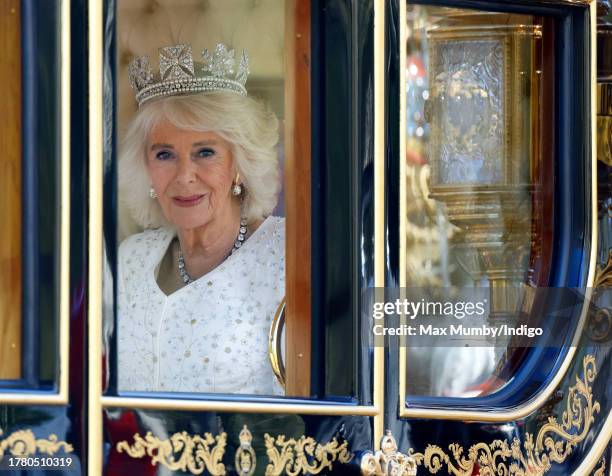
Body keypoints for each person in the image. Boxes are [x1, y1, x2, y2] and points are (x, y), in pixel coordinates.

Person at [116, 43, 284, 395]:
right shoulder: (129, 259)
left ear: (239, 163)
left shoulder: (286, 258)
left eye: (205, 152)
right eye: (165, 154)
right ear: (145, 167)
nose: (184, 176)